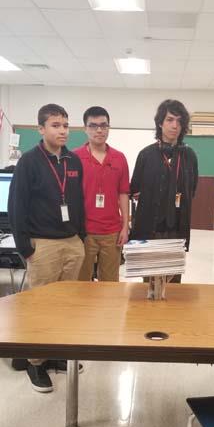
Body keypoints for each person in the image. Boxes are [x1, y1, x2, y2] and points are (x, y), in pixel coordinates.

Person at [8, 103, 85, 392]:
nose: (62, 130)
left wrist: (82, 236)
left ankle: (55, 353)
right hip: (43, 246)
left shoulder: (73, 162)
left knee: (66, 307)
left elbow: (77, 202)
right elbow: (17, 206)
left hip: (72, 243)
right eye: (55, 125)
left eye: (65, 125)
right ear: (41, 129)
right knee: (40, 308)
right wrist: (25, 248)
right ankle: (35, 362)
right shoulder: (29, 162)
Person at [130, 99, 198, 282]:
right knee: (150, 284)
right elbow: (134, 189)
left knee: (173, 284)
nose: (174, 125)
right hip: (150, 229)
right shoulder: (146, 155)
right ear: (160, 123)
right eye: (169, 120)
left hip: (176, 229)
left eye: (179, 120)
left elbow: (192, 189)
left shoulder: (189, 156)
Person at [75, 106, 129, 282]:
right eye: (93, 125)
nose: (99, 130)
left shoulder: (119, 158)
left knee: (110, 284)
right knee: (81, 282)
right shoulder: (74, 157)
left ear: (108, 127)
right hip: (83, 232)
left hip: (112, 232)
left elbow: (123, 193)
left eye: (103, 125)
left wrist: (125, 226)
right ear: (85, 128)